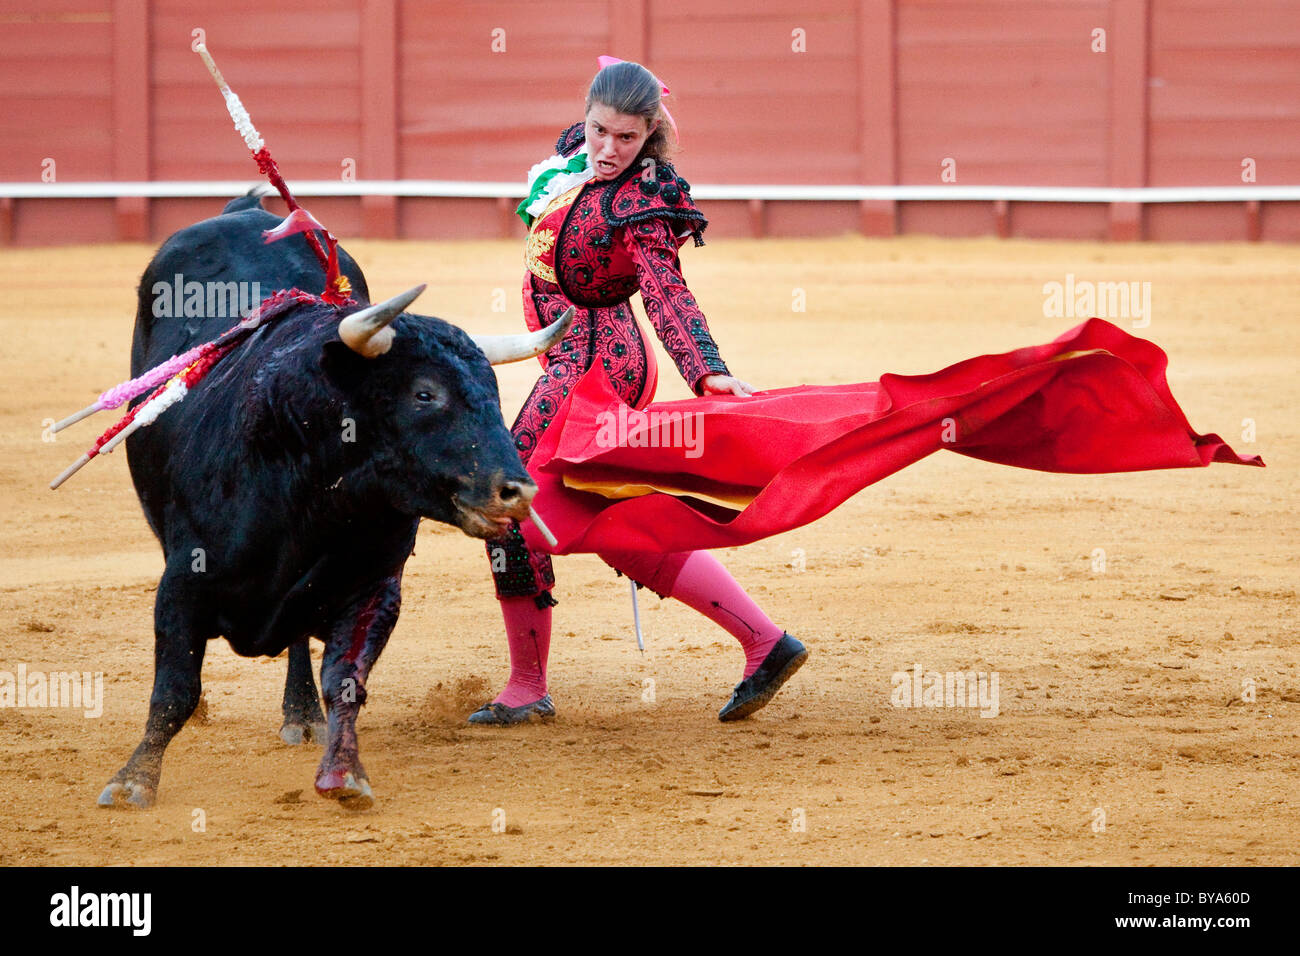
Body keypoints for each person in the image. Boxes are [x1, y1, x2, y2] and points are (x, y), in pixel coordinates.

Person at [468, 57, 808, 725]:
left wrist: (706, 369)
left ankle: (527, 686)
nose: (607, 150)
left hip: (599, 367)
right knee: (596, 513)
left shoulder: (643, 198)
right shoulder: (580, 154)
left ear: (649, 133)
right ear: (585, 120)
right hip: (568, 359)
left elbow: (665, 291)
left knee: (509, 502)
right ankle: (765, 642)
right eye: (599, 131)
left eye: (627, 138)